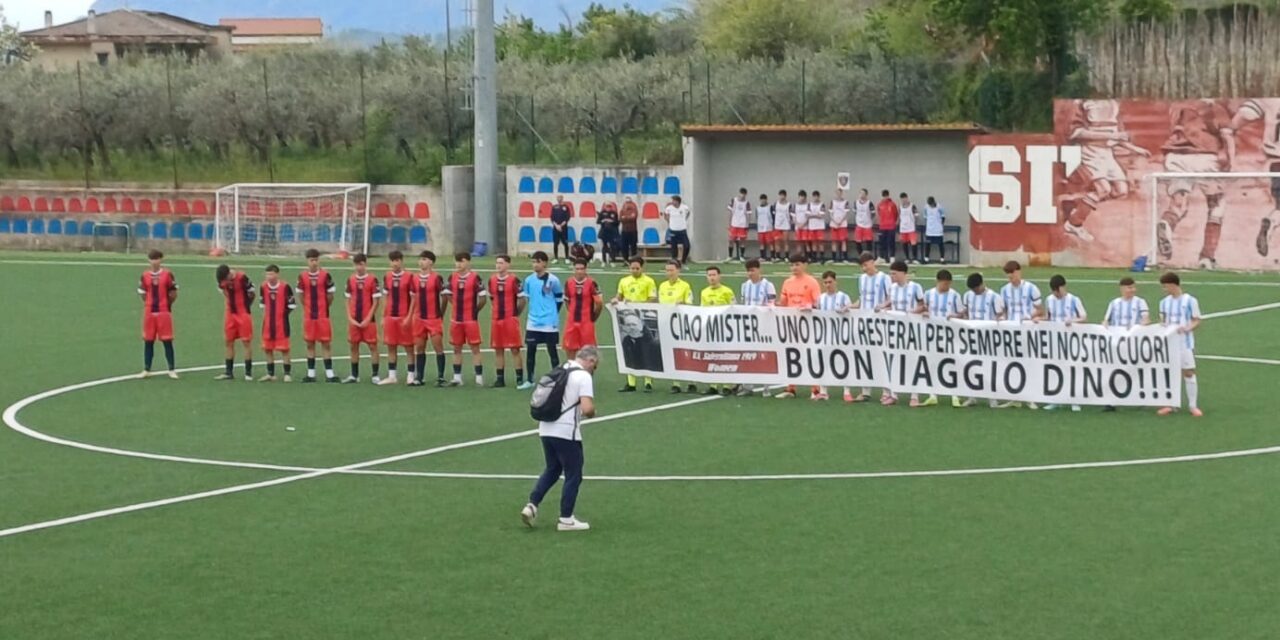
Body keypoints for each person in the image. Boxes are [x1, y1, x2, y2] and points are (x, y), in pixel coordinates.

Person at [520, 345, 599, 532]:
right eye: (594, 367)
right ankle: (566, 518)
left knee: (553, 469)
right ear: (591, 361)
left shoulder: (560, 369)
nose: (593, 371)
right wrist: (593, 413)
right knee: (574, 474)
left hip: (546, 428)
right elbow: (587, 408)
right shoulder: (583, 376)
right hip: (566, 432)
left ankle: (532, 505)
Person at [1156, 100, 1235, 269]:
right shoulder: (1216, 108)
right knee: (1217, 205)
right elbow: (1227, 137)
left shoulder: (1177, 106)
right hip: (1204, 157)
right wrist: (1230, 164)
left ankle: (1167, 224)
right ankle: (1207, 257)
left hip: (1176, 157)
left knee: (1179, 203)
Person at [1062, 99, 1150, 243]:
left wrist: (1135, 149)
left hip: (1107, 153)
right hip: (1091, 151)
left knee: (1121, 191)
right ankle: (1074, 223)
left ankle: (1081, 205)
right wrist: (1110, 136)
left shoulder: (1114, 104)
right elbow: (1074, 133)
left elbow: (1117, 136)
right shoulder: (1081, 102)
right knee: (1103, 189)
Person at [1232, 99, 1280, 257]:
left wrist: (1230, 128)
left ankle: (1271, 221)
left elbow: (1245, 114)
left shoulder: (1270, 101)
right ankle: (1271, 222)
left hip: (1276, 162)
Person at [774, 255, 821, 399]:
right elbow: (783, 302)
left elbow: (818, 303)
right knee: (790, 354)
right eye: (792, 265)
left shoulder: (812, 282)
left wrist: (809, 307)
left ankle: (815, 388)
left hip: (808, 323)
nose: (794, 267)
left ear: (805, 265)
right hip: (790, 324)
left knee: (810, 354)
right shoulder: (787, 282)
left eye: (797, 264)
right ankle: (790, 387)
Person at [1158, 272, 1203, 417]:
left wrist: (1187, 328)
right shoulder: (1164, 302)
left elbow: (1197, 320)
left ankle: (1192, 406)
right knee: (1170, 373)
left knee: (1188, 372)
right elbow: (1163, 321)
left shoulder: (1190, 301)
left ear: (1173, 285)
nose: (1164, 289)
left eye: (1165, 286)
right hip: (1169, 343)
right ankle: (1171, 404)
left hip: (1185, 343)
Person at [882, 260, 926, 406]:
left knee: (912, 361)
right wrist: (882, 307)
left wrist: (911, 313)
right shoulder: (893, 288)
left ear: (903, 273)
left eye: (894, 273)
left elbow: (923, 306)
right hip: (895, 330)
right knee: (894, 361)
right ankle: (894, 394)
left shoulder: (915, 287)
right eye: (891, 273)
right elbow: (890, 302)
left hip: (912, 330)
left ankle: (914, 395)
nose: (892, 276)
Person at [1042, 274, 1087, 412]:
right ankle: (1056, 399)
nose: (1056, 294)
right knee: (1056, 369)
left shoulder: (1074, 300)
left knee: (1072, 369)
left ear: (1062, 287)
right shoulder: (1049, 300)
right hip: (1055, 340)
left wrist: (1072, 321)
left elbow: (1084, 317)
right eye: (1054, 291)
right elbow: (1048, 317)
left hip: (1071, 340)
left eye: (1058, 290)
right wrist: (1039, 320)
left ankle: (1075, 400)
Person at [959, 273, 1005, 408]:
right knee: (971, 365)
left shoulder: (994, 297)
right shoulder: (968, 296)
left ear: (981, 285)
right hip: (972, 336)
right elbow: (965, 312)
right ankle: (971, 396)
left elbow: (1000, 314)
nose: (974, 292)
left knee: (989, 366)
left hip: (988, 337)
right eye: (972, 290)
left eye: (976, 289)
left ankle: (993, 398)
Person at [520, 251, 564, 391]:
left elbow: (559, 299)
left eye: (537, 262)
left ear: (544, 263)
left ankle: (557, 379)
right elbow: (527, 298)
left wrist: (552, 313)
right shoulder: (528, 280)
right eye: (533, 262)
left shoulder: (554, 280)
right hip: (533, 322)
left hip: (549, 322)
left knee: (552, 351)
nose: (535, 265)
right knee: (530, 350)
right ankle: (529, 379)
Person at [613, 256, 658, 392]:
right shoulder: (624, 281)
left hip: (642, 321)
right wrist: (615, 300)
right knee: (628, 350)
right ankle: (631, 382)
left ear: (642, 268)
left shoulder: (649, 281)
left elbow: (653, 298)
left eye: (637, 268)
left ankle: (648, 381)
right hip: (628, 321)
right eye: (632, 268)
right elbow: (619, 296)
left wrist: (639, 306)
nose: (634, 270)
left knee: (646, 350)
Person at [850, 251, 890, 403]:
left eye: (866, 265)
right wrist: (850, 307)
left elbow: (890, 298)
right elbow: (861, 299)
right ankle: (865, 391)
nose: (864, 269)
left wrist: (883, 306)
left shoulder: (884, 278)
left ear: (873, 262)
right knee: (865, 355)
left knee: (882, 355)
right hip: (864, 322)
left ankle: (886, 391)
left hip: (880, 323)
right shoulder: (861, 279)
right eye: (862, 266)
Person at [443, 252, 488, 386]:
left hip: (470, 320)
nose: (458, 264)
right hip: (456, 319)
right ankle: (457, 377)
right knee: (456, 348)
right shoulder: (453, 277)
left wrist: (475, 311)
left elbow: (483, 298)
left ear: (468, 262)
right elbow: (448, 295)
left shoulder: (475, 278)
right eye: (457, 261)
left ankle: (479, 377)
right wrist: (456, 305)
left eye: (461, 261)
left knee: (475, 348)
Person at [922, 269, 966, 407]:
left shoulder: (954, 296)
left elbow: (961, 314)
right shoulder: (928, 294)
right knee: (932, 363)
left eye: (948, 284)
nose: (946, 286)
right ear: (938, 282)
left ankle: (955, 396)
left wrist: (954, 316)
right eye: (944, 284)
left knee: (952, 363)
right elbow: (923, 309)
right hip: (932, 334)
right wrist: (924, 313)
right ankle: (932, 394)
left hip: (950, 334)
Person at [736, 258, 777, 397]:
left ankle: (766, 386)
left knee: (764, 354)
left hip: (764, 324)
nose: (750, 273)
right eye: (748, 271)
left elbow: (772, 304)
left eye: (753, 270)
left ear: (759, 270)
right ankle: (747, 386)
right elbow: (743, 303)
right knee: (747, 353)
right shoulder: (744, 285)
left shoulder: (768, 285)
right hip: (748, 325)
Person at [298, 249, 339, 383]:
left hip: (323, 316)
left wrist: (324, 307)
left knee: (326, 344)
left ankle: (330, 374)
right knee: (310, 344)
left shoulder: (325, 275)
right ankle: (311, 374)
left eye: (316, 260)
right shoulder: (302, 276)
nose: (314, 263)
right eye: (311, 260)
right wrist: (307, 307)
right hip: (309, 316)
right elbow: (301, 295)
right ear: (307, 261)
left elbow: (330, 295)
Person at [138, 250, 179, 379]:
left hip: (163, 312)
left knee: (167, 340)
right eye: (152, 259)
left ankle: (171, 369)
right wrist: (148, 304)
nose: (154, 261)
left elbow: (173, 293)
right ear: (149, 261)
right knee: (148, 341)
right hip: (150, 312)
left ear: (161, 260)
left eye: (156, 259)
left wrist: (167, 304)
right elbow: (142, 292)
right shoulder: (144, 276)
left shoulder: (167, 275)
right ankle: (146, 369)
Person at [410, 250, 449, 387]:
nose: (421, 262)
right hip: (419, 318)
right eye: (420, 259)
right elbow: (413, 297)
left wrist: (441, 313)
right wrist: (411, 315)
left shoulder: (437, 278)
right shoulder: (414, 278)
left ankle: (440, 377)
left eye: (425, 259)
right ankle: (419, 377)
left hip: (433, 318)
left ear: (431, 262)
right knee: (419, 347)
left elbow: (444, 297)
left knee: (438, 346)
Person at [343, 253, 383, 384]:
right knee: (353, 347)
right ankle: (354, 375)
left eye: (361, 264)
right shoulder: (350, 279)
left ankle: (375, 375)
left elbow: (376, 301)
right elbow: (347, 299)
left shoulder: (372, 280)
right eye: (356, 264)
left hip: (368, 320)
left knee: (373, 346)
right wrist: (349, 317)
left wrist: (368, 318)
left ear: (365, 264)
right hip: (354, 319)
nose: (359, 267)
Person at [658, 260, 697, 394]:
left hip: (681, 323)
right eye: (667, 270)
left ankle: (691, 381)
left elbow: (690, 303)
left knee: (686, 351)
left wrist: (683, 303)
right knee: (671, 352)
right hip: (666, 323)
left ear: (678, 270)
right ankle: (676, 383)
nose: (669, 273)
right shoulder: (662, 286)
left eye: (671, 270)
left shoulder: (685, 286)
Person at [488, 255, 527, 388]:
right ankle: (500, 379)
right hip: (496, 319)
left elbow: (522, 300)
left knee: (514, 349)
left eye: (501, 263)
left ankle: (519, 378)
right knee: (498, 349)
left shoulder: (514, 280)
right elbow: (492, 298)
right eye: (497, 263)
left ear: (508, 265)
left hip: (510, 319)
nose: (498, 265)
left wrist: (515, 314)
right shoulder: (492, 280)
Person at [379, 251, 416, 386]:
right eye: (392, 261)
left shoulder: (409, 277)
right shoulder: (387, 277)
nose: (394, 264)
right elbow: (385, 296)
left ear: (401, 261)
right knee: (391, 346)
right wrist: (384, 316)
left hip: (404, 316)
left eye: (397, 261)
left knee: (409, 347)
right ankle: (392, 376)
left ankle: (411, 375)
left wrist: (409, 316)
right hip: (390, 317)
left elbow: (413, 298)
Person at [699, 266, 737, 395]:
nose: (712, 278)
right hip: (710, 328)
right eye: (709, 275)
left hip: (725, 329)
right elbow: (702, 310)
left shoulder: (727, 291)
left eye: (714, 275)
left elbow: (734, 309)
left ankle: (727, 385)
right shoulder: (704, 292)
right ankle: (713, 385)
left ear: (719, 276)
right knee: (711, 355)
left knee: (725, 356)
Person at [817, 270, 853, 402]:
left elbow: (851, 312)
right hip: (825, 335)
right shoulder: (821, 298)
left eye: (830, 282)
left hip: (841, 335)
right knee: (823, 361)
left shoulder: (843, 297)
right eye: (825, 282)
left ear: (835, 281)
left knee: (843, 361)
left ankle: (847, 391)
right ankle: (823, 391)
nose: (828, 285)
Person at [215, 264, 255, 381]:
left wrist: (246, 306)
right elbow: (224, 291)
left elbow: (252, 293)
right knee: (228, 341)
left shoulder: (242, 278)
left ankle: (248, 373)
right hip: (230, 313)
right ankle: (229, 372)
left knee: (246, 342)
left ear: (229, 274)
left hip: (243, 313)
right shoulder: (222, 281)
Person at [258, 264, 296, 382]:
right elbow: (263, 305)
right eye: (267, 274)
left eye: (271, 274)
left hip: (281, 324)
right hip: (268, 324)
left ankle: (287, 374)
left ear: (277, 274)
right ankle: (270, 373)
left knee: (284, 349)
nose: (269, 276)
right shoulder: (263, 287)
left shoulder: (285, 287)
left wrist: (283, 315)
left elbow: (292, 305)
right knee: (267, 349)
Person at [563, 259, 603, 362]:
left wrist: (593, 317)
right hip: (572, 322)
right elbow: (567, 300)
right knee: (570, 348)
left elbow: (599, 303)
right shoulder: (568, 282)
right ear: (573, 269)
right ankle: (571, 371)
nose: (579, 271)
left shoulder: (592, 283)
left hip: (586, 322)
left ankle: (587, 375)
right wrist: (571, 312)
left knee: (588, 351)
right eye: (577, 269)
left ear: (586, 269)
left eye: (582, 269)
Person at [664, 195, 692, 265]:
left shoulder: (684, 207)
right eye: (672, 200)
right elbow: (666, 215)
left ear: (678, 201)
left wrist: (684, 220)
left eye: (674, 201)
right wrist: (670, 222)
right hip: (673, 230)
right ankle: (675, 262)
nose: (673, 202)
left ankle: (683, 261)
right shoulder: (669, 208)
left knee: (687, 246)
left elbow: (688, 213)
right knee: (674, 247)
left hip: (682, 230)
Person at [727, 187, 751, 262]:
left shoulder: (747, 203)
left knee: (742, 241)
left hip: (742, 224)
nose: (742, 196)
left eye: (744, 195)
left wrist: (747, 224)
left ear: (746, 195)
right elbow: (730, 212)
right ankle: (730, 256)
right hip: (734, 224)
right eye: (741, 194)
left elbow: (748, 214)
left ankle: (742, 256)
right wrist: (729, 223)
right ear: (739, 193)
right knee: (731, 240)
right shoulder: (734, 200)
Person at [876, 189, 899, 263]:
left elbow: (896, 214)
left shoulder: (892, 204)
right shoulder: (880, 204)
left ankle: (892, 257)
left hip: (891, 226)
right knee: (882, 242)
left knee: (891, 242)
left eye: (886, 196)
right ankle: (882, 257)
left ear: (888, 196)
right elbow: (879, 214)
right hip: (882, 226)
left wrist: (894, 223)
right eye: (883, 196)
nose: (885, 197)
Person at [829, 188, 851, 264]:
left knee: (843, 241)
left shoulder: (845, 202)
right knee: (834, 241)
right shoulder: (832, 202)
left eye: (840, 193)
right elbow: (830, 213)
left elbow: (846, 213)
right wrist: (835, 221)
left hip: (843, 224)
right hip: (834, 224)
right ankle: (834, 258)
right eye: (837, 193)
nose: (838, 194)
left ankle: (844, 258)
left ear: (842, 193)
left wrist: (840, 221)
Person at [805, 190, 828, 264]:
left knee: (820, 242)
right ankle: (814, 257)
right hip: (812, 226)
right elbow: (807, 215)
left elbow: (821, 215)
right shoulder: (809, 205)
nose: (815, 198)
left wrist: (813, 215)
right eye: (814, 196)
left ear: (819, 197)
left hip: (820, 226)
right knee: (813, 242)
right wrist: (816, 215)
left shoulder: (822, 204)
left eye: (816, 196)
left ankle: (822, 257)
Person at [596, 200, 621, 266]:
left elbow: (617, 223)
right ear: (605, 207)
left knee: (612, 247)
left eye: (609, 206)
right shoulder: (602, 213)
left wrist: (611, 221)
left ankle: (612, 261)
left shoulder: (614, 213)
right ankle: (604, 261)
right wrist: (603, 220)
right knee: (604, 246)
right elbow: (598, 221)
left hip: (611, 232)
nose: (608, 208)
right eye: (607, 206)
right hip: (604, 232)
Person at [853, 188, 876, 258]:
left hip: (867, 225)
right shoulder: (856, 202)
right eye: (860, 193)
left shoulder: (869, 203)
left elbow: (873, 213)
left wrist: (868, 219)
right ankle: (861, 256)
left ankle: (868, 256)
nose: (861, 195)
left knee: (868, 241)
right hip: (859, 224)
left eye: (863, 193)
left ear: (866, 195)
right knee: (858, 241)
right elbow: (855, 211)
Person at [923, 196, 946, 264]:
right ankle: (926, 259)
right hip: (929, 230)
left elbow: (943, 216)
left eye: (931, 204)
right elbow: (925, 217)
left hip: (938, 230)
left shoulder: (939, 207)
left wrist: (940, 225)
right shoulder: (926, 207)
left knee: (940, 244)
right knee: (928, 244)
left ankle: (942, 259)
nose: (930, 205)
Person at [772, 189, 794, 263]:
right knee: (777, 242)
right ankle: (777, 256)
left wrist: (791, 222)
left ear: (785, 196)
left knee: (786, 241)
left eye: (783, 195)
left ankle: (786, 257)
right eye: (780, 195)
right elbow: (773, 214)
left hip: (786, 225)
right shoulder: (776, 204)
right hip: (777, 226)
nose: (781, 197)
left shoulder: (789, 205)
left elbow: (791, 215)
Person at [898, 192, 920, 264]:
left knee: (913, 243)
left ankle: (915, 258)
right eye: (902, 199)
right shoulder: (900, 207)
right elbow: (899, 216)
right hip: (903, 228)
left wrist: (915, 224)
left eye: (904, 199)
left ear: (907, 198)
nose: (903, 200)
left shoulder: (912, 206)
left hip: (911, 227)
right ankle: (907, 258)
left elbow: (916, 215)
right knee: (904, 243)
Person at [550, 195, 572, 264]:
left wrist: (561, 225)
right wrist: (556, 226)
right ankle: (556, 258)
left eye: (560, 197)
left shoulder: (566, 207)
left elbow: (567, 217)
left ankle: (567, 258)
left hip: (564, 229)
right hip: (556, 228)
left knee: (565, 243)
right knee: (555, 243)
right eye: (558, 197)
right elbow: (552, 217)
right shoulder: (554, 207)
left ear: (562, 198)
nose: (559, 199)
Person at [618, 196, 640, 260]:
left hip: (633, 230)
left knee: (633, 246)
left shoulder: (634, 209)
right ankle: (625, 260)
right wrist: (628, 217)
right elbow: (620, 218)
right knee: (624, 246)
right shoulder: (622, 210)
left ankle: (634, 259)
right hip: (624, 230)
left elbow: (633, 218)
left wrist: (625, 217)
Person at [755, 193, 775, 262]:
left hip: (769, 228)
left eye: (764, 200)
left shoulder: (770, 207)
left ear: (766, 200)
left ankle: (773, 257)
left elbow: (773, 217)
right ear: (760, 200)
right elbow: (757, 217)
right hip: (760, 229)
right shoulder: (757, 208)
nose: (763, 201)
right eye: (761, 200)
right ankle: (762, 257)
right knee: (761, 243)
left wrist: (773, 226)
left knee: (771, 243)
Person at [793, 190, 811, 262]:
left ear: (805, 198)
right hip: (797, 227)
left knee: (806, 242)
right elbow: (793, 217)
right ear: (798, 197)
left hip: (805, 227)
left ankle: (808, 257)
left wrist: (803, 224)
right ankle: (799, 258)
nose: (802, 198)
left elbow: (808, 216)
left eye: (803, 197)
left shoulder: (808, 205)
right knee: (798, 243)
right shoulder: (795, 205)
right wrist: (797, 224)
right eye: (800, 197)